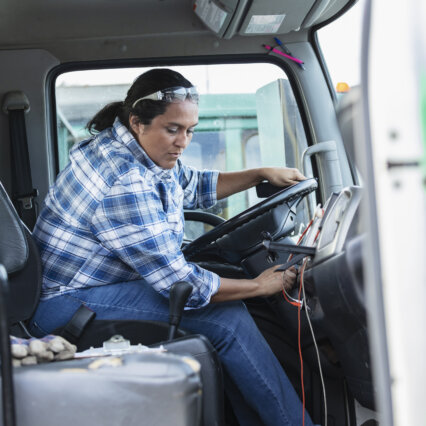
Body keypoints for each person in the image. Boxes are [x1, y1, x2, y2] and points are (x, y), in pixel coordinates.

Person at [29, 68, 314, 426]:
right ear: (138, 122)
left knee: (228, 296)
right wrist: (259, 286)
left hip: (95, 286)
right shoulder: (124, 179)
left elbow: (191, 184)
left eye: (190, 130)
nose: (183, 141)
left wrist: (259, 173)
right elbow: (180, 283)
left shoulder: (137, 150)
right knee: (227, 318)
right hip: (66, 302)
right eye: (173, 129)